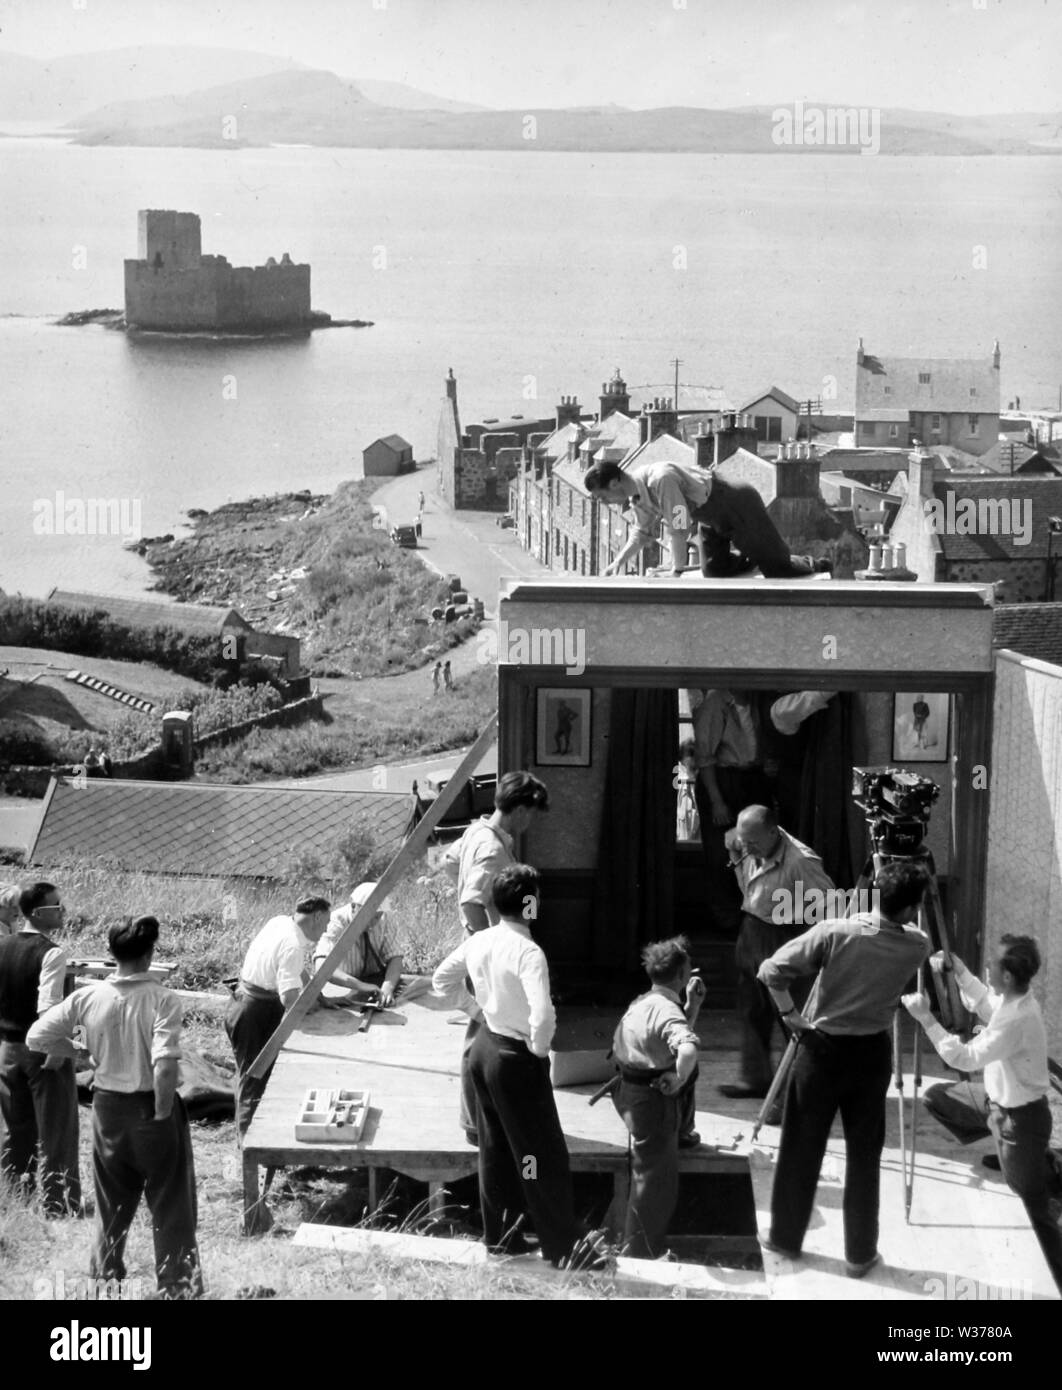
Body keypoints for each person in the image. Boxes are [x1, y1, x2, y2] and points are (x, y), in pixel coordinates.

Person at [757, 862, 930, 1277]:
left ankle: (785, 1238)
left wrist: (791, 1016)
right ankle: (859, 1254)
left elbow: (770, 971)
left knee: (802, 1147)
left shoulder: (836, 932)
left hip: (820, 1050)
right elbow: (899, 931)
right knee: (865, 1156)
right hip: (871, 1055)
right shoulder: (918, 945)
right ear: (910, 910)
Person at [433, 864, 607, 1269]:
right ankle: (565, 1249)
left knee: (496, 1151)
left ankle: (503, 1238)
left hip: (485, 1051)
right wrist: (540, 1049)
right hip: (515, 1059)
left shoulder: (481, 940)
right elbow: (542, 1015)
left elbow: (442, 980)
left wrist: (476, 1009)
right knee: (540, 1157)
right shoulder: (529, 952)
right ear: (529, 904)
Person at [26, 916, 203, 1298]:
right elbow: (165, 1063)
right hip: (148, 1107)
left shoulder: (87, 996)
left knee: (111, 1202)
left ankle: (105, 1282)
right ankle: (178, 1288)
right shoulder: (162, 998)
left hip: (106, 1109)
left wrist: (82, 1052)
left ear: (111, 954)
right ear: (150, 954)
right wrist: (160, 1111)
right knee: (171, 1204)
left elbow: (38, 1036)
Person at [902, 937, 1062, 1291]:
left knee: (1033, 1210)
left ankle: (1057, 1275)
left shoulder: (1017, 1018)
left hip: (1018, 1121)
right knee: (937, 1098)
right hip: (997, 1106)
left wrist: (926, 1018)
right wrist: (959, 972)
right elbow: (987, 1004)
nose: (986, 966)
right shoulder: (1013, 1001)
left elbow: (963, 1058)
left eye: (992, 964)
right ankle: (1039, 1165)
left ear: (1006, 975)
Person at [439, 771, 550, 1146]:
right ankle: (474, 1123)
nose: (531, 822)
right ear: (519, 809)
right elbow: (471, 900)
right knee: (483, 1034)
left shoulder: (477, 832)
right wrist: (486, 940)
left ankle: (481, 1118)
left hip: (488, 950)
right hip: (488, 955)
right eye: (531, 813)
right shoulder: (492, 848)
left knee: (486, 1030)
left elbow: (448, 862)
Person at [719, 805, 835, 1104]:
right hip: (752, 930)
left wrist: (813, 949)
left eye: (752, 842)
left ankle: (797, 1091)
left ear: (774, 832)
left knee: (791, 1017)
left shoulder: (801, 861)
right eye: (743, 841)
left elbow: (828, 908)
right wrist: (737, 850)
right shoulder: (745, 842)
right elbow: (739, 856)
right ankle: (754, 1079)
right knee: (751, 1010)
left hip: (787, 935)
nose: (746, 847)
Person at [611, 936, 706, 1258]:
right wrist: (678, 1079)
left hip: (627, 1092)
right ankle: (638, 1253)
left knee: (650, 1172)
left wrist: (691, 1007)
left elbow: (665, 1034)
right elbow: (687, 1049)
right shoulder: (666, 1009)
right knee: (655, 1182)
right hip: (651, 1103)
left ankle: (679, 1133)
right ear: (681, 975)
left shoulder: (643, 1001)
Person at [584, 458, 829, 579]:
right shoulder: (637, 495)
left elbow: (678, 527)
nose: (604, 503)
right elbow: (641, 532)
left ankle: (814, 563)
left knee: (778, 570)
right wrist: (618, 562)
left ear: (615, 483)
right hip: (708, 514)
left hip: (733, 502)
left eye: (602, 496)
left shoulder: (660, 480)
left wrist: (676, 571)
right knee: (714, 570)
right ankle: (753, 555)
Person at [0, 881, 81, 1216]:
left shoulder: (2, 945)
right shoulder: (52, 952)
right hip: (40, 1051)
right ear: (36, 913)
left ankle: (14, 1197)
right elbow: (49, 1006)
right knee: (56, 1130)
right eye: (56, 906)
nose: (62, 911)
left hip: (7, 1050)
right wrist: (59, 1048)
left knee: (14, 1130)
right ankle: (57, 1202)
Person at [224, 896, 333, 1137]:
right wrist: (312, 1020)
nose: (326, 929)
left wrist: (317, 994)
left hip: (241, 1001)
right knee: (255, 1077)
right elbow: (289, 999)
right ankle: (249, 1148)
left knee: (251, 1075)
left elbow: (296, 970)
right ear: (315, 917)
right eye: (325, 922)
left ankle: (257, 1137)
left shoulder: (280, 922)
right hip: (255, 1012)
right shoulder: (293, 944)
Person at [691, 688, 773, 934]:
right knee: (722, 854)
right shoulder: (716, 701)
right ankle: (726, 920)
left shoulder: (757, 699)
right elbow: (704, 756)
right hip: (722, 781)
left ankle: (752, 916)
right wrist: (717, 800)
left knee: (757, 851)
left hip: (751, 779)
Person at [313, 881, 407, 1006]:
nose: (373, 922)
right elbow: (322, 967)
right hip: (345, 984)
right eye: (369, 916)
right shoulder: (335, 922)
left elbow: (395, 957)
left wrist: (387, 987)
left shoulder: (385, 918)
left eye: (377, 917)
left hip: (376, 979)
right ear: (353, 907)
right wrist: (362, 986)